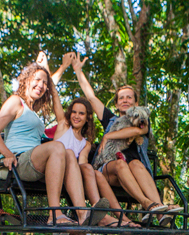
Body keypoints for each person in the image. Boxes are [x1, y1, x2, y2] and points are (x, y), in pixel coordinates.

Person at [73, 56, 181, 225]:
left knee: (135, 164)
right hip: (110, 169)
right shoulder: (110, 119)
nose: (125, 100)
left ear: (136, 103)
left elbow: (140, 130)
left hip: (133, 174)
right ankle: (148, 204)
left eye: (129, 97)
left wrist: (108, 136)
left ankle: (159, 210)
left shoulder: (142, 119)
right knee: (122, 164)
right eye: (121, 98)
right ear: (116, 104)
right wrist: (78, 70)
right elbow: (91, 98)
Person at [0, 54, 92, 227]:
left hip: (37, 163)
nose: (41, 85)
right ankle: (55, 214)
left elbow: (51, 87)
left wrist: (58, 69)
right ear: (26, 80)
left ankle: (82, 213)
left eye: (45, 83)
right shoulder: (16, 102)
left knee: (68, 152)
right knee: (58, 147)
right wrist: (7, 154)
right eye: (37, 80)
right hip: (20, 160)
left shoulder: (33, 110)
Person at [52, 94, 140, 229]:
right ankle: (103, 216)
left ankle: (117, 215)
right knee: (76, 160)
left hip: (73, 173)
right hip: (57, 168)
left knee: (94, 172)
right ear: (69, 114)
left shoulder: (85, 143)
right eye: (74, 112)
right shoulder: (64, 126)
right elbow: (56, 101)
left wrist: (87, 171)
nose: (76, 116)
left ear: (87, 118)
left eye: (81, 113)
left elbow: (82, 164)